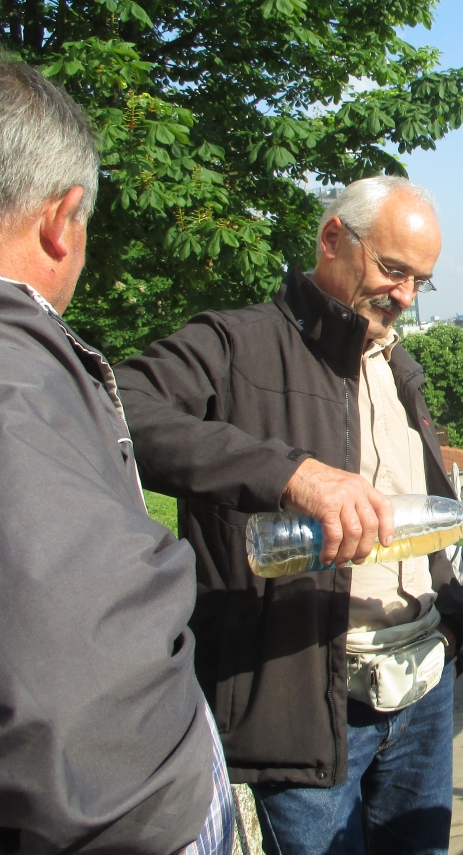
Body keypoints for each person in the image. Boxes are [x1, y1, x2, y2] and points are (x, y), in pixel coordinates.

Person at [115, 176, 463, 855]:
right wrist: (290, 475)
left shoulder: (396, 364)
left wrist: (452, 619)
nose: (405, 296)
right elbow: (117, 406)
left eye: (421, 282)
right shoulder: (234, 342)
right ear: (333, 238)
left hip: (424, 687)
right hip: (304, 701)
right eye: (394, 270)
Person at [0, 59, 233, 852]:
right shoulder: (18, 382)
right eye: (396, 271)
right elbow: (70, 676)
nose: (406, 294)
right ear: (63, 219)